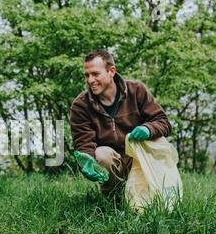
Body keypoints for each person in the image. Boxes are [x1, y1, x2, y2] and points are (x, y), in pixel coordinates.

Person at [70, 49, 172, 195]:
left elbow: (163, 122)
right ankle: (114, 200)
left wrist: (148, 129)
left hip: (138, 158)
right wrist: (86, 162)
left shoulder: (136, 91)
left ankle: (157, 195)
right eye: (87, 75)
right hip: (112, 164)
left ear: (111, 71)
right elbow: (83, 143)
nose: (90, 80)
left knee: (159, 140)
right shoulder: (80, 105)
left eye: (95, 74)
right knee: (101, 154)